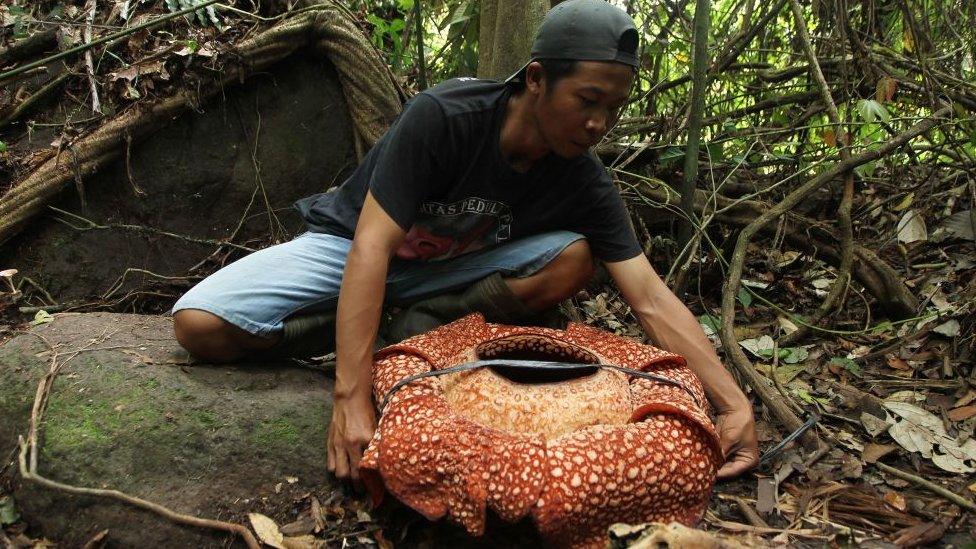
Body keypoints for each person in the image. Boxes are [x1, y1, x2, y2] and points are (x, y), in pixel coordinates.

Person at [171, 0, 758, 484]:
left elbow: (649, 296)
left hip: (451, 274)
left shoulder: (582, 176)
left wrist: (732, 404)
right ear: (536, 79)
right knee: (200, 326)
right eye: (586, 100)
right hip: (351, 248)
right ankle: (372, 332)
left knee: (576, 255)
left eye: (613, 108)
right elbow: (371, 248)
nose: (598, 123)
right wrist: (350, 396)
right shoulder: (446, 117)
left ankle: (420, 325)